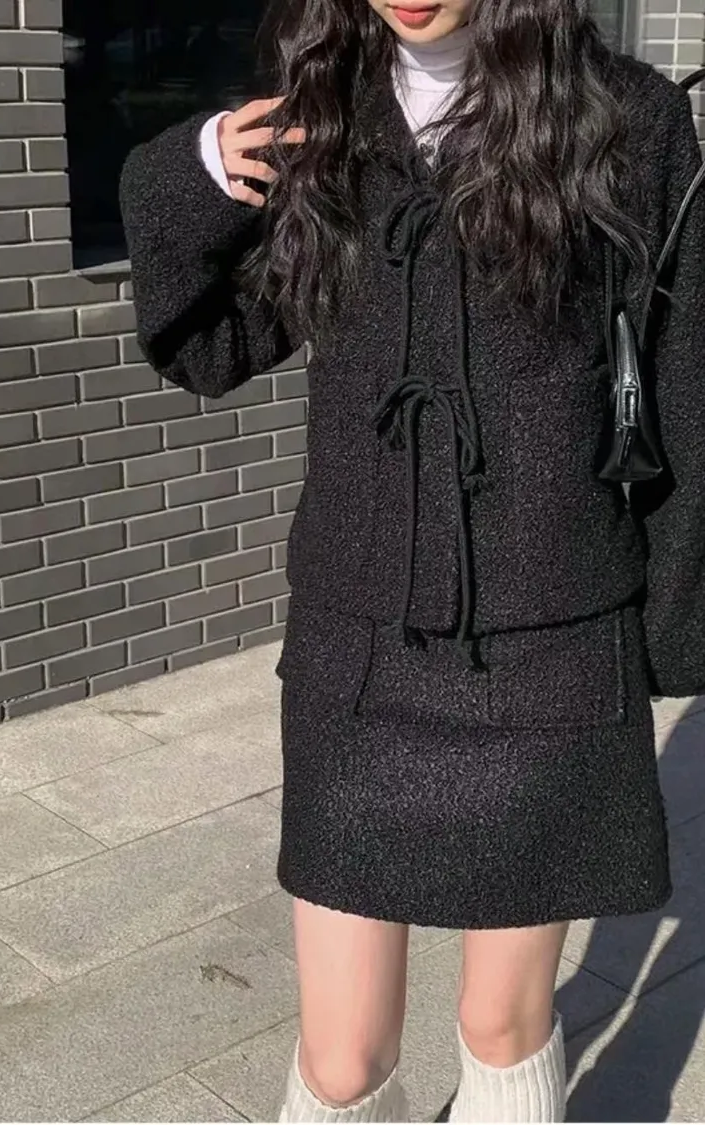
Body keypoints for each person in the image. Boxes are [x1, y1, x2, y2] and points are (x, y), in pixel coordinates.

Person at [119, 0, 705, 1120]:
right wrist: (192, 171)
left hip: (551, 642)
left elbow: (687, 384)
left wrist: (669, 633)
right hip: (359, 644)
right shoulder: (323, 120)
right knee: (341, 1059)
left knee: (501, 1025)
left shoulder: (624, 117)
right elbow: (213, 346)